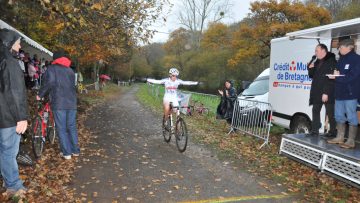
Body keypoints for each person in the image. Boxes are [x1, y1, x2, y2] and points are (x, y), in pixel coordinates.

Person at [37, 50, 80, 159]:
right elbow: (73, 86)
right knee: (71, 127)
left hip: (59, 102)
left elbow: (49, 83)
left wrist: (40, 94)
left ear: (55, 59)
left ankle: (66, 153)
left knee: (61, 128)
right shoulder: (70, 70)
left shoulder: (52, 69)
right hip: (72, 103)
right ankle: (75, 151)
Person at [0, 28, 28, 196]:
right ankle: (14, 186)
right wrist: (21, 117)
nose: (19, 46)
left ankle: (8, 180)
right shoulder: (9, 62)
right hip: (8, 116)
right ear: (9, 43)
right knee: (9, 152)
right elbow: (14, 91)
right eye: (17, 42)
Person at [327, 39, 360, 148]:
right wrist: (335, 75)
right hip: (339, 93)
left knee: (351, 116)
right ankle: (340, 137)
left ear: (349, 47)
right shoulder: (341, 59)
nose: (339, 49)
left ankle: (351, 141)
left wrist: (337, 77)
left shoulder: (357, 59)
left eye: (341, 47)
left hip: (350, 94)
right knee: (338, 115)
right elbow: (338, 73)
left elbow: (352, 77)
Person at [307, 44, 337, 137]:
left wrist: (326, 93)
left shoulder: (331, 61)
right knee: (315, 110)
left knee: (330, 112)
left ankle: (333, 131)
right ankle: (315, 130)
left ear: (323, 51)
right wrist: (310, 68)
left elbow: (331, 79)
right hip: (317, 91)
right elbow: (312, 76)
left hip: (327, 92)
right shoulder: (317, 62)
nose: (315, 52)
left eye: (317, 50)